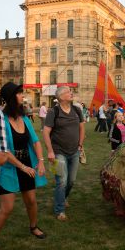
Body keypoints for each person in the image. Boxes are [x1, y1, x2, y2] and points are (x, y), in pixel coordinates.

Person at [0, 82, 47, 250]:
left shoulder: (24, 118)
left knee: (31, 201)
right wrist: (23, 168)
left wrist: (40, 161)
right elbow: (4, 151)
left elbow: (35, 141)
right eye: (19, 94)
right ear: (11, 98)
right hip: (8, 167)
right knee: (7, 208)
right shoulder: (1, 120)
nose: (22, 96)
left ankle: (33, 227)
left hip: (26, 162)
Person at [43, 86, 84, 221]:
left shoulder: (77, 110)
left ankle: (64, 197)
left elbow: (81, 128)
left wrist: (80, 145)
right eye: (68, 92)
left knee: (71, 181)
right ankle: (60, 210)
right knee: (61, 181)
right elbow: (46, 132)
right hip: (58, 152)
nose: (71, 93)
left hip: (74, 151)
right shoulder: (53, 111)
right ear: (60, 97)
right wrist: (50, 151)